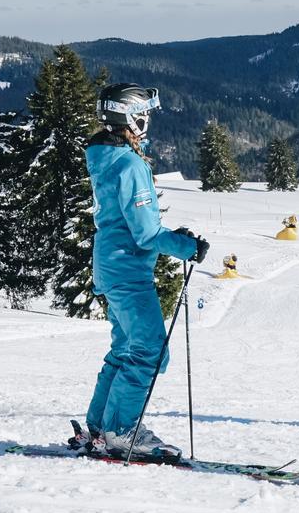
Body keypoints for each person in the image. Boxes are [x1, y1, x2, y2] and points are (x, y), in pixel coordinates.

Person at [81, 83, 209, 459]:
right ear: (127, 116)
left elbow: (130, 222)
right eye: (143, 114)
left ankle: (100, 427)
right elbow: (146, 231)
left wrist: (173, 238)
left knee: (125, 349)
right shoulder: (130, 164)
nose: (147, 121)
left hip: (110, 264)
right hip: (127, 270)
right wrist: (187, 247)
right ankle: (120, 432)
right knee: (150, 352)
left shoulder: (105, 156)